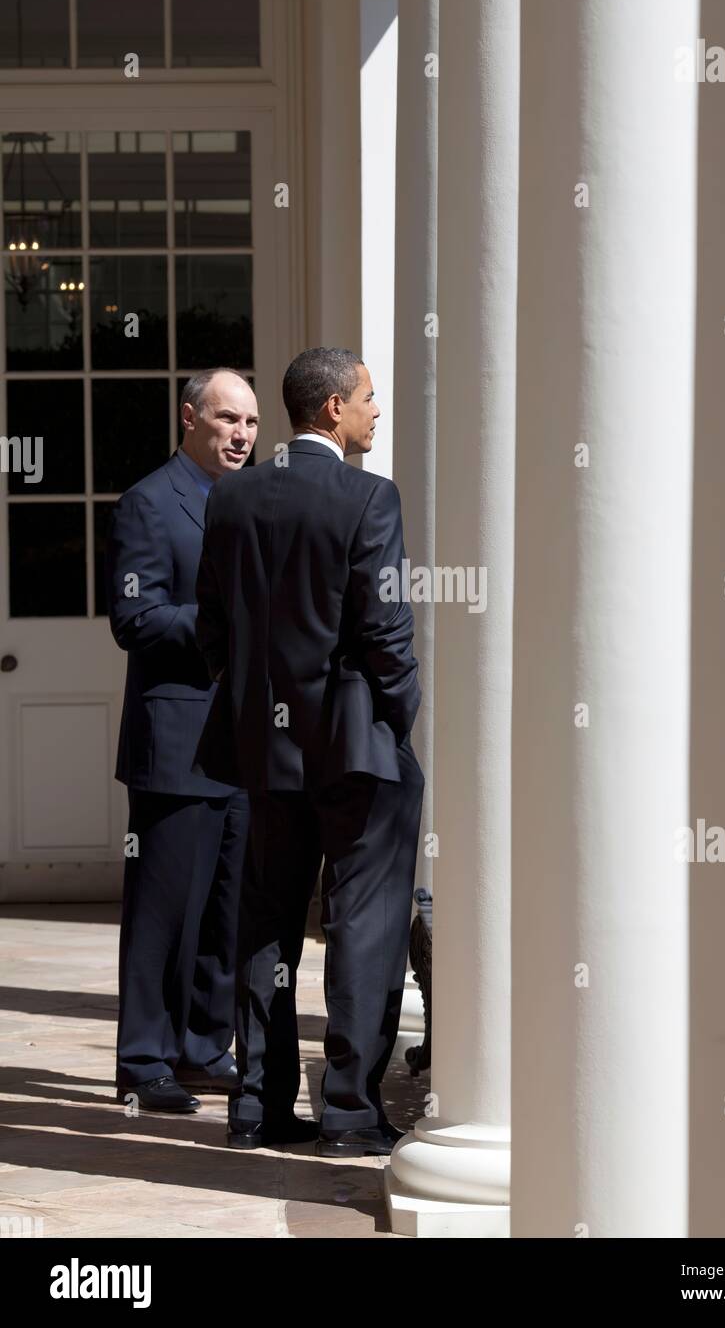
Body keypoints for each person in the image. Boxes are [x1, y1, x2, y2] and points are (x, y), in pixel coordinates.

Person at [194, 347, 424, 1154]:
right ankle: (350, 1112)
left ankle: (256, 1105)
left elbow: (212, 626)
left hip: (266, 749)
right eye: (368, 398)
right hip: (356, 750)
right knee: (364, 923)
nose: (376, 411)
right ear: (332, 409)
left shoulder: (232, 498)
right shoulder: (370, 499)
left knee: (265, 923)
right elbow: (386, 630)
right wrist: (399, 718)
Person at [106, 369, 257, 1112]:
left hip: (244, 743)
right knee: (165, 911)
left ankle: (203, 1046)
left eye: (252, 424)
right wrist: (223, 627)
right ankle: (143, 1060)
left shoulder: (249, 503)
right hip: (175, 743)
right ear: (190, 418)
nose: (241, 434)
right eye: (228, 419)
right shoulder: (148, 501)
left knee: (225, 908)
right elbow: (134, 619)